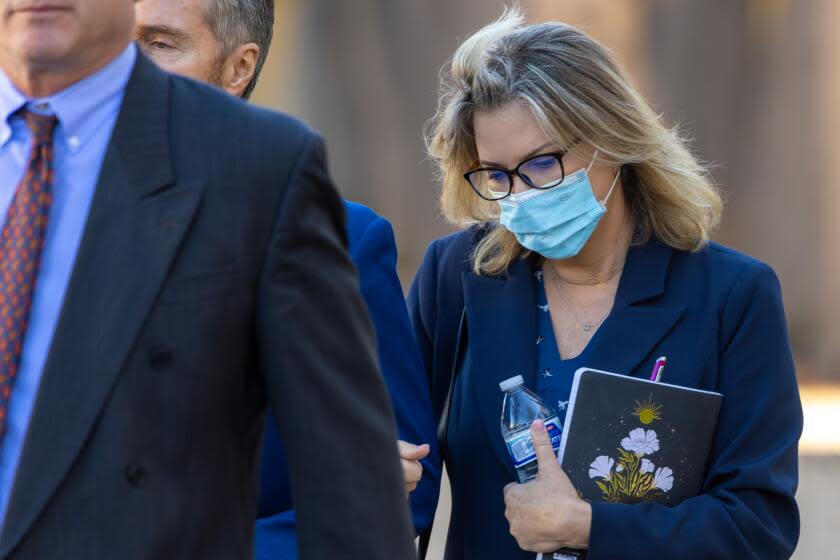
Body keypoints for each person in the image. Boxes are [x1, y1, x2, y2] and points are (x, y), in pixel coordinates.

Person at [0, 0, 417, 558]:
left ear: (238, 67)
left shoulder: (278, 182)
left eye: (161, 43)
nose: (134, 59)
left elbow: (365, 502)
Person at [409, 9, 802, 559]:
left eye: (542, 164)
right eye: (496, 175)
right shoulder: (458, 279)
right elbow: (399, 464)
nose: (520, 194)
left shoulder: (733, 296)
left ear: (610, 139)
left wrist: (590, 527)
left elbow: (759, 526)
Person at [133, 1, 441, 556]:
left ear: (237, 68)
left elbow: (402, 495)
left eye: (159, 44)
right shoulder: (30, 221)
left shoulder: (344, 241)